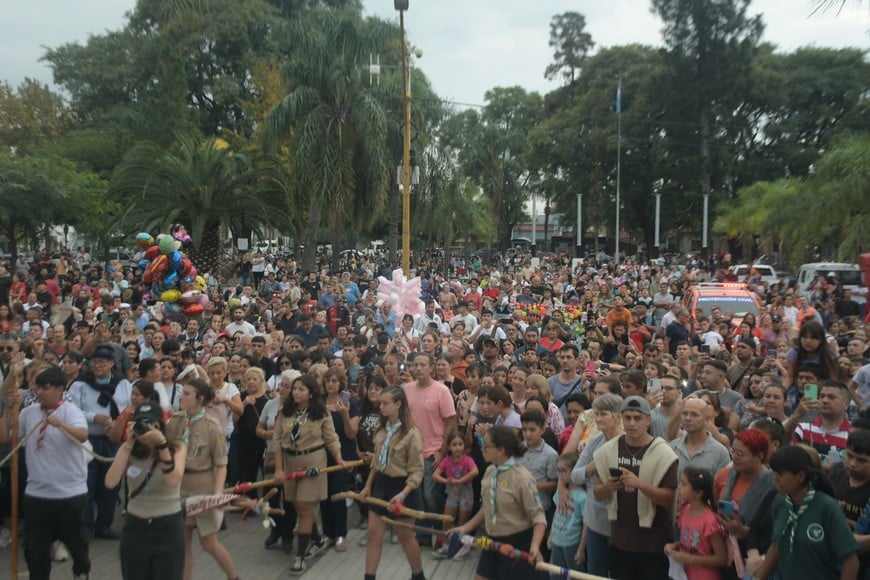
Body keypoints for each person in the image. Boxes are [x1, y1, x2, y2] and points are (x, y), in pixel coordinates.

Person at [0, 365, 91, 580]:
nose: (40, 392)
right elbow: (5, 437)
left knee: (75, 542)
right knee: (35, 549)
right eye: (37, 387)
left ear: (60, 389)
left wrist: (61, 425)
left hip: (69, 493)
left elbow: (82, 435)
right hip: (37, 494)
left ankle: (81, 568)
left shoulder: (70, 411)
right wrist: (8, 409)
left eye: (46, 388)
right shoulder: (29, 412)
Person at [593, 395, 679, 580]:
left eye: (638, 418)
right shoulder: (608, 450)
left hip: (654, 545)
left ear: (648, 420)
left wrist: (640, 484)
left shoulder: (663, 453)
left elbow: (669, 499)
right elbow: (597, 493)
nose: (632, 423)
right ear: (620, 418)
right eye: (628, 417)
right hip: (620, 542)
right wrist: (609, 487)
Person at [448, 425, 548, 580]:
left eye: (486, 445)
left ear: (501, 449)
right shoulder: (490, 472)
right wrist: (464, 528)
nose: (482, 448)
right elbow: (488, 507)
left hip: (517, 544)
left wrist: (535, 547)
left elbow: (538, 517)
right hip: (492, 541)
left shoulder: (521, 478)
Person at [164, 378, 239, 580]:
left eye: (187, 393)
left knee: (208, 543)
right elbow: (165, 447)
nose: (181, 396)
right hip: (180, 486)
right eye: (182, 392)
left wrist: (217, 494)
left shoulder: (212, 426)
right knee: (183, 545)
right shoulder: (176, 421)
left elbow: (221, 464)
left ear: (200, 398)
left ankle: (233, 576)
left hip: (203, 486)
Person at [272, 373, 347, 575]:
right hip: (291, 461)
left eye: (301, 389)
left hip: (313, 461)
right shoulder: (285, 411)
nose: (296, 392)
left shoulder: (321, 412)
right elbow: (277, 441)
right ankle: (317, 538)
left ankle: (300, 556)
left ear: (311, 393)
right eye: (295, 389)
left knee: (304, 505)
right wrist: (279, 469)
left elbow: (331, 438)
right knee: (298, 505)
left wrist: (339, 458)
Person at [106, 402, 187, 580]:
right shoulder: (130, 450)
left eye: (151, 424)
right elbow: (110, 482)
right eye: (140, 424)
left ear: (161, 425)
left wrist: (162, 445)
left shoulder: (177, 448)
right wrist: (128, 445)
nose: (145, 430)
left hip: (167, 527)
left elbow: (173, 480)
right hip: (136, 528)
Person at [757, 445, 860, 580]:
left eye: (780, 474)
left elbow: (851, 561)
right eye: (774, 472)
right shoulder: (780, 501)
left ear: (800, 476)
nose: (775, 478)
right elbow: (776, 546)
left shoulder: (827, 507)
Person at [359, 386, 427, 580]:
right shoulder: (382, 429)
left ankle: (418, 576)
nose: (381, 406)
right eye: (380, 403)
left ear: (398, 404)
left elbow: (417, 470)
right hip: (381, 485)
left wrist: (403, 494)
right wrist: (367, 486)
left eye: (385, 403)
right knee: (373, 534)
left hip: (403, 487)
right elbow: (377, 462)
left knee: (405, 536)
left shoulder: (412, 434)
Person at [67, 342, 133, 539]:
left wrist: (118, 423)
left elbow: (129, 407)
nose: (98, 366)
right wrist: (93, 417)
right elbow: (71, 410)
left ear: (112, 363)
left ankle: (104, 525)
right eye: (95, 362)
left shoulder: (123, 384)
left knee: (110, 486)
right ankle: (85, 527)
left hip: (113, 441)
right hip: (88, 440)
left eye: (103, 362)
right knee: (87, 484)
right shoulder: (80, 384)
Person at [403, 352, 457, 543]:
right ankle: (423, 536)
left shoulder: (441, 391)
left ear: (431, 367)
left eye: (422, 365)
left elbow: (450, 422)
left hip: (433, 451)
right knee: (417, 495)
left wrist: (442, 452)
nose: (418, 368)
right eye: (415, 365)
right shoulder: (407, 389)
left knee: (430, 494)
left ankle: (443, 530)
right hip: (412, 451)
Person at [320, 367, 359, 552]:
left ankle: (341, 533)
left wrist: (344, 414)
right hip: (322, 454)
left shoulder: (349, 402)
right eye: (328, 381)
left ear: (341, 382)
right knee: (324, 495)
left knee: (338, 494)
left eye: (334, 381)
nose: (330, 384)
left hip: (344, 454)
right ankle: (328, 533)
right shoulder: (319, 401)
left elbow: (351, 434)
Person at [664, 466, 728, 579]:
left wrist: (690, 559)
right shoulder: (685, 510)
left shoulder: (710, 521)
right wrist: (674, 546)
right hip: (684, 575)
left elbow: (721, 558)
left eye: (684, 484)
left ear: (698, 493)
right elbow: (690, 543)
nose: (679, 487)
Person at [432, 431, 479, 557]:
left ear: (464, 446)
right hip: (452, 493)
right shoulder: (446, 461)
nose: (457, 448)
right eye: (454, 445)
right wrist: (446, 481)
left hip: (466, 493)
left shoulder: (468, 460)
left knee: (463, 522)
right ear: (449, 447)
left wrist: (461, 480)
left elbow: (475, 471)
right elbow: (435, 475)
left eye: (460, 444)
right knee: (447, 520)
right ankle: (445, 545)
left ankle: (461, 547)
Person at [548, 450, 587, 580]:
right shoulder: (560, 492)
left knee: (575, 575)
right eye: (558, 471)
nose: (560, 475)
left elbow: (586, 525)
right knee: (556, 575)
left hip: (572, 544)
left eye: (563, 471)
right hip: (557, 540)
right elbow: (557, 513)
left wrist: (581, 549)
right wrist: (551, 536)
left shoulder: (582, 497)